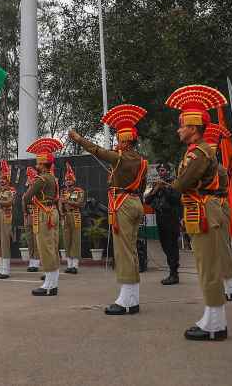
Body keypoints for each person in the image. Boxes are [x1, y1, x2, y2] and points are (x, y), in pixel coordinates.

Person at [161, 85, 229, 341]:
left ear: (192, 127)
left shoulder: (198, 152)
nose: (178, 130)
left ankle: (216, 323)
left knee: (208, 266)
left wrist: (168, 189)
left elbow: (183, 182)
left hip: (203, 210)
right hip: (198, 209)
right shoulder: (196, 151)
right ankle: (213, 318)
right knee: (205, 265)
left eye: (181, 125)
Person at [70, 104, 149, 315]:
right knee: (130, 250)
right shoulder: (142, 161)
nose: (116, 143)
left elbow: (97, 151)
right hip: (135, 202)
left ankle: (126, 300)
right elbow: (141, 186)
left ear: (125, 141)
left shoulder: (121, 158)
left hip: (122, 204)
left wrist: (78, 139)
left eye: (118, 140)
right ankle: (132, 296)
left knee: (123, 252)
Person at [203, 124, 232, 302]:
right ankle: (230, 287)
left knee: (218, 249)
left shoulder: (212, 168)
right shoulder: (221, 169)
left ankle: (229, 288)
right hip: (221, 205)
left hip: (214, 206)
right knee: (221, 247)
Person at [24, 137, 65, 296]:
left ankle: (48, 285)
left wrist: (30, 203)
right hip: (53, 212)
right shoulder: (53, 179)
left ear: (42, 164)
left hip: (43, 215)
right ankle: (52, 282)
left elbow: (27, 197)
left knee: (45, 248)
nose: (36, 165)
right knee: (52, 247)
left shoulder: (41, 179)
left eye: (38, 163)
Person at [147, 164, 181, 285]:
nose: (160, 173)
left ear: (168, 171)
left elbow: (176, 199)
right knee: (165, 246)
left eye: (163, 170)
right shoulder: (156, 185)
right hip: (160, 219)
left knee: (172, 246)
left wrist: (165, 188)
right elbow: (147, 200)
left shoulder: (174, 183)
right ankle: (172, 271)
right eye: (159, 171)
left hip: (171, 218)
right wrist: (156, 189)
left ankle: (174, 273)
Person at [61, 162, 86, 274]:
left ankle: (75, 266)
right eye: (66, 180)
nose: (68, 182)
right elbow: (60, 204)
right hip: (66, 216)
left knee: (75, 240)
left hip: (75, 215)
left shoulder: (79, 191)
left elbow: (80, 203)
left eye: (70, 180)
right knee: (67, 240)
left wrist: (68, 201)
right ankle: (69, 265)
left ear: (73, 181)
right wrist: (61, 212)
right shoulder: (63, 192)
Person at [0, 160, 16, 279]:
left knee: (5, 241)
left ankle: (6, 269)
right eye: (0, 178)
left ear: (8, 179)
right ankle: (1, 265)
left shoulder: (11, 190)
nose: (1, 180)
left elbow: (10, 202)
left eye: (3, 178)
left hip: (5, 215)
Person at [22, 167, 40, 271]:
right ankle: (31, 261)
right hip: (28, 217)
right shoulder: (26, 191)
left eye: (31, 177)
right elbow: (23, 205)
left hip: (36, 216)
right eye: (28, 177)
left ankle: (36, 262)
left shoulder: (37, 191)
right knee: (30, 241)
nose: (29, 180)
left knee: (35, 240)